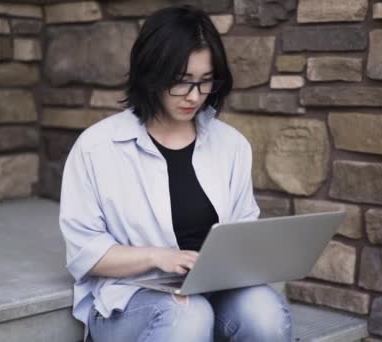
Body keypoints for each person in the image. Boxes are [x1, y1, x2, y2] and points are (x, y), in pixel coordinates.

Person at [59, 5, 292, 342]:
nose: (195, 96)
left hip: (216, 289)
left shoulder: (231, 145)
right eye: (182, 82)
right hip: (132, 298)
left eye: (205, 82)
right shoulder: (98, 147)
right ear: (151, 73)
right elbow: (84, 252)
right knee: (189, 315)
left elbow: (243, 230)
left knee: (265, 313)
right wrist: (159, 257)